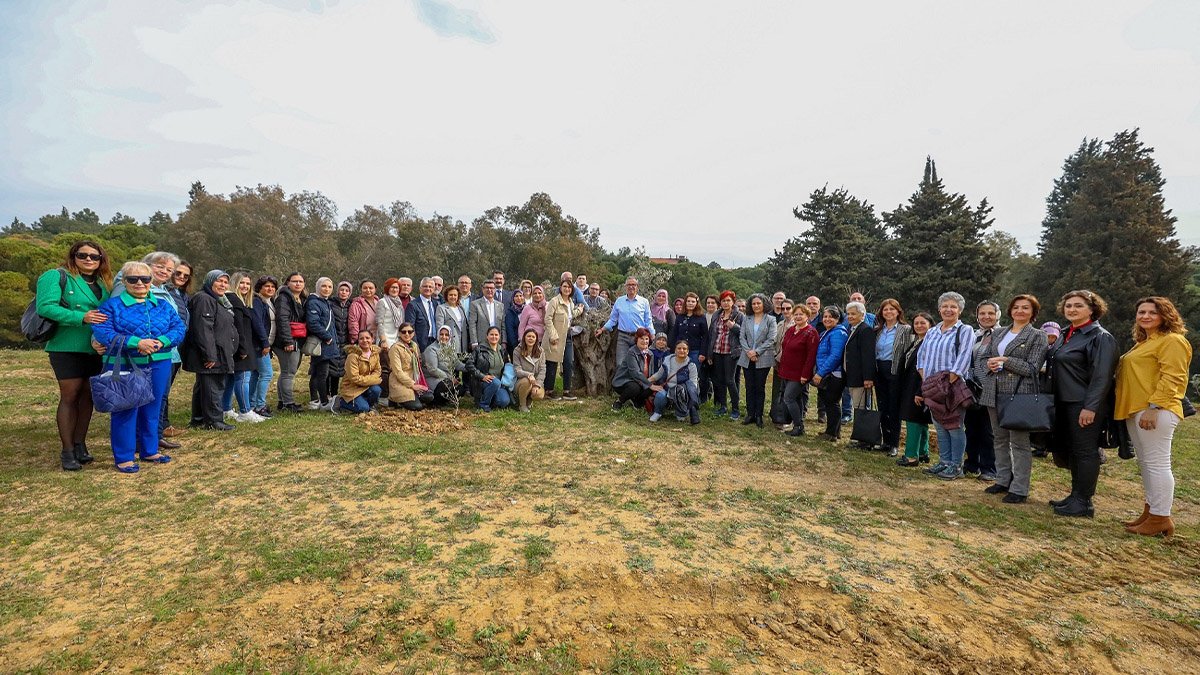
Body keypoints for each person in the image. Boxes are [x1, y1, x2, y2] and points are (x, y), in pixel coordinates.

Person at [90, 261, 186, 472]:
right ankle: (124, 455)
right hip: (126, 364)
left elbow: (178, 328)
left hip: (159, 362)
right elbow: (103, 331)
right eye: (133, 279)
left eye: (145, 279)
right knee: (126, 408)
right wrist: (136, 343)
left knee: (153, 406)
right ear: (124, 281)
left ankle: (149, 450)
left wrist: (161, 341)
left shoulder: (161, 305)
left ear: (151, 282)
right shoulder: (112, 306)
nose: (140, 283)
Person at [1115, 296, 1191, 537]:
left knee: (1158, 464)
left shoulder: (1172, 341)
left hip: (1155, 410)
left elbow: (1174, 377)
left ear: (1166, 315)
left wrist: (1155, 407)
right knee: (1146, 463)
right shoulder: (1144, 342)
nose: (1145, 316)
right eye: (1141, 312)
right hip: (1136, 409)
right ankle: (1151, 511)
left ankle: (1160, 517)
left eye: (1152, 312)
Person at [38, 241, 113, 470]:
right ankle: (67, 450)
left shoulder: (103, 283)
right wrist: (81, 317)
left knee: (88, 396)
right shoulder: (56, 276)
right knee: (70, 396)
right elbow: (46, 307)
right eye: (83, 255)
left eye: (95, 256)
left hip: (95, 347)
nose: (89, 259)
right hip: (67, 346)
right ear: (74, 256)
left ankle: (81, 444)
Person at [1046, 290, 1118, 518]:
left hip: (1084, 404)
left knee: (1086, 452)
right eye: (1068, 306)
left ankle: (1084, 502)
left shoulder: (1100, 337)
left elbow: (1102, 377)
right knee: (1073, 451)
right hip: (1063, 402)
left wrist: (1091, 407)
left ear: (1092, 309)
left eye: (1078, 306)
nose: (1072, 310)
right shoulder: (1067, 333)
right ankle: (1075, 495)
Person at [979, 295, 1048, 504]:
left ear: (1033, 312)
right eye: (1016, 307)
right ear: (1010, 311)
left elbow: (1033, 368)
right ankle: (1003, 479)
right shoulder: (999, 332)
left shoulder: (1038, 336)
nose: (1020, 311)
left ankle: (1019, 488)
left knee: (1019, 443)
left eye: (1025, 308)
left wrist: (1006, 361)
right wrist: (989, 365)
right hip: (994, 390)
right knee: (999, 439)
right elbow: (983, 358)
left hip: (1019, 393)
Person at [917, 292, 977, 481]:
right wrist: (926, 379)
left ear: (959, 310)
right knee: (939, 425)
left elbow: (964, 356)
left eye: (953, 306)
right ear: (939, 309)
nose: (948, 310)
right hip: (932, 386)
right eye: (945, 306)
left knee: (954, 425)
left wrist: (950, 380)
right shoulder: (933, 331)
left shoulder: (965, 330)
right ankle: (943, 461)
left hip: (952, 386)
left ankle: (955, 465)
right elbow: (922, 355)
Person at [184, 270, 239, 431]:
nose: (222, 285)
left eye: (225, 282)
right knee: (213, 386)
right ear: (209, 282)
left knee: (205, 386)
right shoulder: (204, 299)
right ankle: (214, 421)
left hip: (219, 350)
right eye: (219, 281)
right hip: (212, 353)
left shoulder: (218, 300)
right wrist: (209, 355)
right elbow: (203, 329)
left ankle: (199, 418)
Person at [221, 273, 265, 423]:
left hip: (236, 346)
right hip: (241, 347)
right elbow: (239, 327)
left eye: (247, 284)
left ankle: (225, 409)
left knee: (231, 380)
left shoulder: (236, 301)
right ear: (234, 284)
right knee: (243, 379)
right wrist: (243, 349)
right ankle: (245, 411)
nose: (245, 286)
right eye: (242, 283)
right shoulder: (234, 300)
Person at [965, 300, 1001, 480]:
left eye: (991, 313)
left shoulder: (1002, 334)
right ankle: (972, 463)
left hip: (991, 388)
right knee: (971, 427)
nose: (986, 317)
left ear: (997, 315)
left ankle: (989, 468)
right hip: (973, 388)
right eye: (982, 313)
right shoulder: (974, 334)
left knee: (988, 431)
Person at [874, 299, 913, 457]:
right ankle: (885, 441)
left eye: (892, 309)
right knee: (882, 407)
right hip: (879, 370)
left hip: (895, 371)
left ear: (898, 312)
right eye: (885, 310)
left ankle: (894, 444)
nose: (888, 312)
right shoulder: (878, 330)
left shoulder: (905, 329)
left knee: (893, 408)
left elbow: (908, 352)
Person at [896, 312, 934, 466]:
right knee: (921, 421)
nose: (919, 326)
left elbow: (928, 368)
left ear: (931, 325)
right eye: (916, 323)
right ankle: (924, 452)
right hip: (910, 387)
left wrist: (921, 391)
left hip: (919, 388)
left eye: (922, 323)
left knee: (913, 420)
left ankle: (911, 456)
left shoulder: (930, 343)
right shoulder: (917, 341)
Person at [776, 305, 819, 437]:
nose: (798, 317)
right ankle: (798, 425)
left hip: (799, 374)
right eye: (796, 314)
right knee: (797, 398)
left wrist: (805, 375)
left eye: (802, 314)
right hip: (786, 371)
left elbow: (811, 356)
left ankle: (798, 425)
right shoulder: (791, 330)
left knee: (788, 398)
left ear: (807, 316)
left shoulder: (811, 333)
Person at [161, 260, 192, 438]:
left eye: (185, 275)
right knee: (161, 389)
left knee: (166, 387)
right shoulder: (164, 292)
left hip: (177, 345)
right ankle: (160, 427)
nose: (181, 277)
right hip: (165, 345)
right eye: (178, 273)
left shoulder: (182, 295)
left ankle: (163, 424)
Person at [738, 294, 778, 428]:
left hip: (763, 357)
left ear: (764, 304)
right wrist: (749, 352)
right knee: (749, 386)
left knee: (759, 387)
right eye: (754, 304)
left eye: (758, 303)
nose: (756, 306)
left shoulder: (771, 320)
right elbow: (741, 337)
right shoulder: (746, 318)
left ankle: (759, 415)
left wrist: (757, 352)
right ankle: (750, 414)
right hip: (747, 356)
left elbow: (771, 339)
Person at [842, 301, 877, 444]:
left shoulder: (865, 330)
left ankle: (862, 438)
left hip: (861, 377)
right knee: (857, 407)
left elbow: (868, 356)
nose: (850, 316)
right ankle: (859, 436)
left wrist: (868, 377)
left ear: (862, 315)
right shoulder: (852, 329)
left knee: (860, 407)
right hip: (852, 376)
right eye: (848, 314)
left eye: (853, 314)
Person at [812, 307, 849, 441]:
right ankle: (833, 431)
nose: (827, 319)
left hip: (833, 374)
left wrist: (820, 373)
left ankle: (832, 433)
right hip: (827, 373)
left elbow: (835, 356)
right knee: (828, 402)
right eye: (825, 316)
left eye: (831, 317)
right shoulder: (827, 332)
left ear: (838, 319)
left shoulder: (838, 333)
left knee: (832, 403)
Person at [597, 277, 653, 367]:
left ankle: (636, 381)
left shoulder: (644, 302)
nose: (631, 287)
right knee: (621, 364)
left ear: (637, 287)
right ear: (625, 287)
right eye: (629, 285)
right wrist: (602, 329)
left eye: (633, 285)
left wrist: (652, 334)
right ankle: (623, 381)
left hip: (639, 337)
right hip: (623, 337)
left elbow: (648, 320)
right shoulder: (619, 301)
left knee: (639, 364)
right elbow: (613, 319)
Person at [704, 291, 743, 419]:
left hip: (730, 352)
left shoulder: (739, 315)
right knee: (719, 381)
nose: (726, 303)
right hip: (717, 351)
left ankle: (735, 409)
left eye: (728, 300)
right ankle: (723, 406)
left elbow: (744, 334)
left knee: (730, 381)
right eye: (723, 300)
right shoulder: (717, 314)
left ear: (733, 301)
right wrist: (709, 354)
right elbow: (711, 335)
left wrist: (734, 326)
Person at [272, 273, 307, 413]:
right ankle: (288, 403)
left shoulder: (301, 298)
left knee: (287, 371)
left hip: (296, 339)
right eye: (294, 281)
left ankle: (282, 401)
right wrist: (287, 340)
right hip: (286, 340)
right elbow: (282, 320)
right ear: (288, 283)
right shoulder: (283, 298)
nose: (298, 284)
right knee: (289, 372)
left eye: (300, 281)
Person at [544, 279, 583, 400]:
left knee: (568, 362)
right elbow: (548, 319)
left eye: (569, 287)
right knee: (552, 363)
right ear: (560, 287)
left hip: (567, 337)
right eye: (565, 286)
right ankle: (549, 391)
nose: (567, 289)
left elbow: (569, 315)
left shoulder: (570, 302)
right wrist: (553, 335)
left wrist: (579, 310)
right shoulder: (554, 301)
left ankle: (567, 390)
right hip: (555, 337)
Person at [305, 277, 340, 411]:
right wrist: (327, 337)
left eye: (330, 287)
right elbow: (313, 323)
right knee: (322, 373)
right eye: (324, 286)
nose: (327, 289)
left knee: (317, 371)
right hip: (322, 342)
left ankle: (315, 399)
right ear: (318, 287)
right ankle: (322, 401)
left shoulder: (325, 302)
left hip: (327, 342)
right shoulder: (314, 302)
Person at [649, 340, 701, 424]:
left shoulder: (691, 365)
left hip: (681, 393)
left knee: (681, 419)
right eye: (679, 348)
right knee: (660, 395)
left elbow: (693, 384)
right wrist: (646, 381)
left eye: (684, 349)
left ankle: (681, 411)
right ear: (675, 350)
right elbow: (658, 374)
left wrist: (689, 397)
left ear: (688, 351)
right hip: (668, 389)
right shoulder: (667, 361)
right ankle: (658, 412)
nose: (681, 350)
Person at [249, 276, 277, 419]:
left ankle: (251, 405)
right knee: (266, 374)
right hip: (259, 345)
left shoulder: (268, 302)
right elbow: (258, 323)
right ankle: (260, 406)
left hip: (264, 344)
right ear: (259, 287)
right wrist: (265, 343)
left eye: (272, 286)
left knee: (256, 374)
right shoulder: (257, 301)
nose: (270, 289)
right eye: (267, 286)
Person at [388, 322, 434, 410]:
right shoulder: (395, 348)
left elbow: (419, 364)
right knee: (417, 407)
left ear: (413, 333)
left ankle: (412, 399)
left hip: (415, 380)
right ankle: (395, 400)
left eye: (410, 332)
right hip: (400, 383)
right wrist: (412, 385)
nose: (407, 334)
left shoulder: (414, 345)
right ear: (399, 333)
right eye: (403, 332)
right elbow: (398, 372)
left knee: (429, 397)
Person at [338, 329, 382, 414]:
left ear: (372, 339)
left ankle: (369, 405)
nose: (365, 340)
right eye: (361, 338)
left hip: (366, 385)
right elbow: (354, 378)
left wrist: (371, 379)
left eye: (367, 338)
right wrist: (374, 380)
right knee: (363, 409)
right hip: (352, 388)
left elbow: (378, 371)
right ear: (358, 340)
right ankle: (341, 402)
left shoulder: (375, 353)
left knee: (376, 390)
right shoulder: (352, 356)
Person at [467, 326, 511, 411]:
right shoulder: (479, 349)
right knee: (495, 382)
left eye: (496, 335)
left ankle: (490, 398)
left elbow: (506, 366)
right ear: (487, 336)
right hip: (482, 381)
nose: (494, 337)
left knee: (504, 401)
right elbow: (469, 365)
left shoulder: (502, 350)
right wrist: (482, 376)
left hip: (499, 382)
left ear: (499, 336)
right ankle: (483, 404)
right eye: (491, 334)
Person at [612, 328, 656, 411]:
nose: (644, 341)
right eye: (641, 338)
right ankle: (619, 401)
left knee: (650, 387)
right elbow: (635, 373)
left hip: (640, 382)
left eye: (646, 339)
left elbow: (651, 372)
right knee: (635, 387)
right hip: (624, 381)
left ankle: (637, 401)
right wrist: (649, 384)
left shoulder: (650, 354)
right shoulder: (631, 352)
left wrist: (652, 383)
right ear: (637, 340)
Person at [424, 325, 464, 405]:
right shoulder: (431, 349)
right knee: (447, 386)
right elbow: (433, 369)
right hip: (434, 379)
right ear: (438, 335)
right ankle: (434, 402)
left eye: (446, 335)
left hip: (447, 379)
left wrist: (468, 367)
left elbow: (456, 363)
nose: (444, 337)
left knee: (461, 389)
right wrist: (449, 378)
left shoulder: (450, 348)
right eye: (441, 334)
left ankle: (444, 401)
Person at [513, 328, 547, 412]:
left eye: (533, 337)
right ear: (524, 337)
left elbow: (542, 370)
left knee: (539, 394)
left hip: (535, 382)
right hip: (521, 382)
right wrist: (528, 375)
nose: (531, 338)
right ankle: (522, 405)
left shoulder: (541, 351)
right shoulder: (517, 350)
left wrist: (537, 384)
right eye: (528, 336)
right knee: (526, 381)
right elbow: (517, 370)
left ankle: (529, 400)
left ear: (536, 339)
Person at [404, 277, 440, 352]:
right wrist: (415, 345)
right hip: (421, 344)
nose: (428, 288)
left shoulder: (436, 304)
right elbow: (410, 327)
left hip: (436, 342)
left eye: (430, 287)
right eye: (425, 286)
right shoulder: (413, 305)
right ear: (420, 288)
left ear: (433, 289)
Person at [469, 280, 505, 351]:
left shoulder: (500, 305)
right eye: (487, 288)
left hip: (497, 342)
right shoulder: (475, 304)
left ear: (495, 290)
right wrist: (474, 342)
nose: (489, 290)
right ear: (483, 289)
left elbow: (503, 325)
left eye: (492, 288)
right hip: (481, 342)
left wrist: (504, 341)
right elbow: (472, 324)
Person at [504, 289, 526, 355]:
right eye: (516, 296)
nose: (519, 298)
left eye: (521, 296)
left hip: (528, 343)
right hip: (514, 345)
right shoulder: (510, 312)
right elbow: (509, 329)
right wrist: (515, 346)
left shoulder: (528, 309)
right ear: (513, 298)